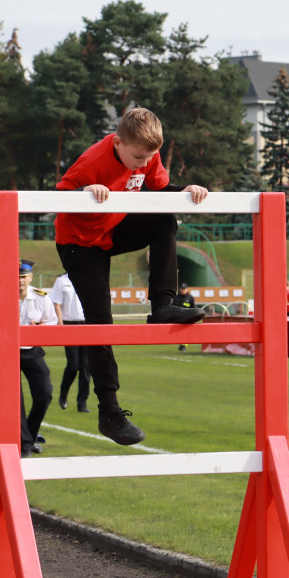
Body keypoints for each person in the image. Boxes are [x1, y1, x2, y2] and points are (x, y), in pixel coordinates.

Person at [54, 107, 207, 446]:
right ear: (118, 142)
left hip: (112, 229)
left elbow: (161, 190)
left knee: (165, 218)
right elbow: (59, 196)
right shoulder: (93, 160)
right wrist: (86, 192)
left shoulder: (146, 156)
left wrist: (188, 190)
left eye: (150, 157)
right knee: (100, 320)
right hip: (79, 243)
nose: (143, 163)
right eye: (137, 156)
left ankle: (163, 305)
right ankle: (109, 410)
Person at [0, 259, 57, 457]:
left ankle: (31, 434)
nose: (20, 281)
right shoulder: (1, 297)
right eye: (16, 277)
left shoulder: (41, 297)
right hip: (7, 353)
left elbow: (52, 322)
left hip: (32, 351)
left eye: (23, 277)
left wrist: (39, 329)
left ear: (30, 277)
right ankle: (25, 445)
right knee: (15, 401)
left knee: (45, 394)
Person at [50, 272, 91, 411]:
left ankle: (82, 403)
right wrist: (60, 324)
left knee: (86, 367)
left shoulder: (88, 277)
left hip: (86, 325)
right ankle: (63, 394)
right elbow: (56, 303)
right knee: (73, 365)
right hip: (69, 325)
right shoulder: (62, 281)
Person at [172, 282, 197, 351]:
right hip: (178, 318)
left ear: (187, 289)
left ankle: (183, 345)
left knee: (186, 332)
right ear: (179, 289)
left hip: (188, 318)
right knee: (179, 332)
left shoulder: (190, 298)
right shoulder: (176, 298)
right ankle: (181, 344)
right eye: (182, 289)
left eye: (184, 289)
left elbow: (193, 308)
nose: (183, 290)